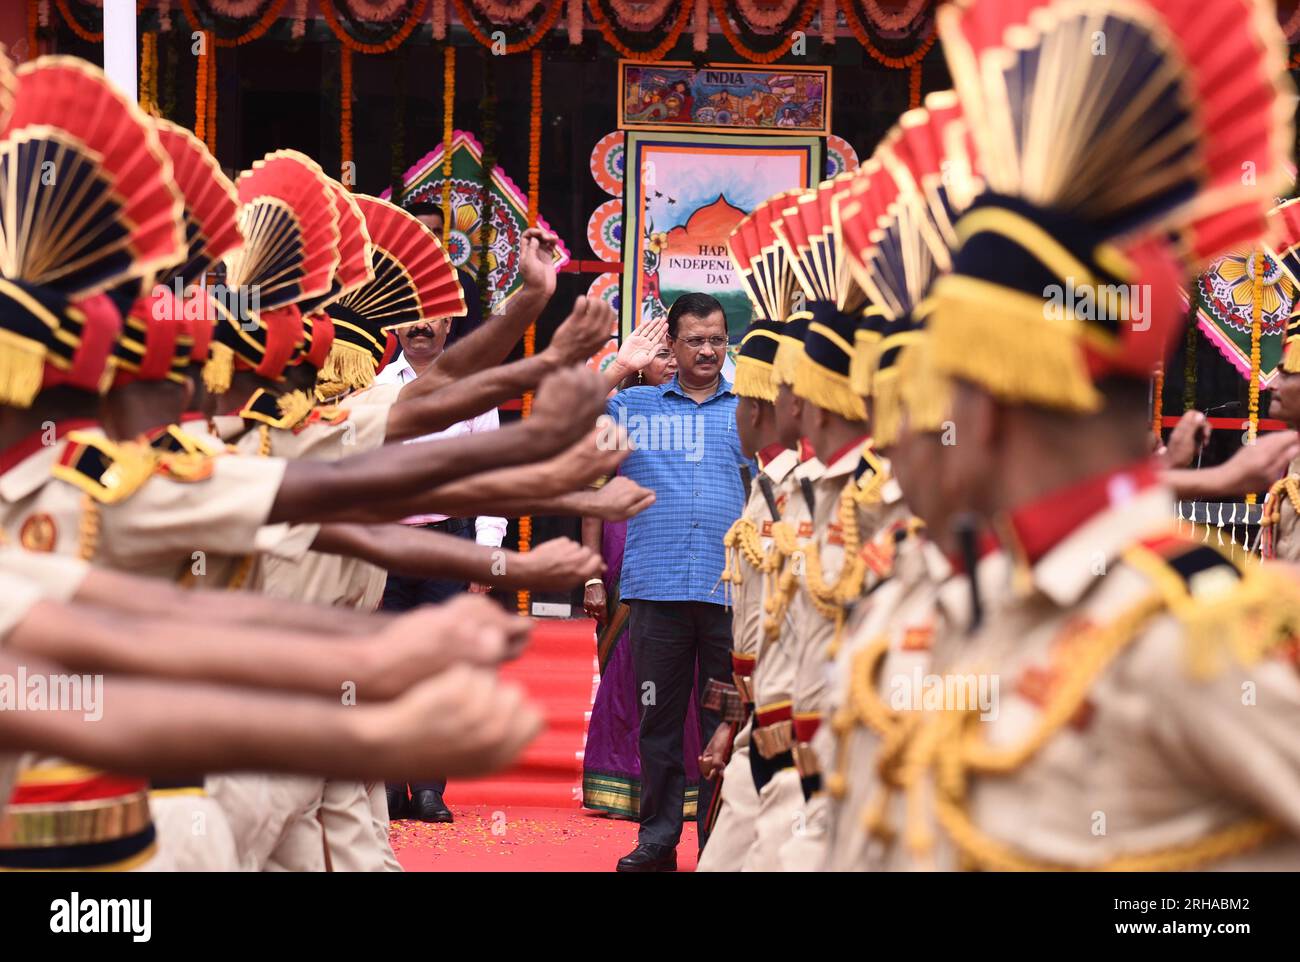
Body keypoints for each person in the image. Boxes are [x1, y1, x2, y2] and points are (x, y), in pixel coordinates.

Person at [607, 292, 747, 872]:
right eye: (696, 340)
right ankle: (658, 839)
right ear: (672, 345)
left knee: (726, 726)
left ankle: (721, 846)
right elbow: (557, 422)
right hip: (657, 592)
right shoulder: (633, 405)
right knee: (658, 722)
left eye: (717, 339)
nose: (709, 350)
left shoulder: (749, 410)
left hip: (731, 596)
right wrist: (618, 365)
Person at [375, 314, 508, 824]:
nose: (421, 326)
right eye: (409, 316)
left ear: (450, 322)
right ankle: (388, 786)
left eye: (432, 315)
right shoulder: (376, 387)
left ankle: (429, 788)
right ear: (395, 327)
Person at [581, 321, 706, 820]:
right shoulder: (621, 411)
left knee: (684, 675)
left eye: (672, 351)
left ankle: (684, 789)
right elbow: (589, 494)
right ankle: (621, 784)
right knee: (628, 671)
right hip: (624, 549)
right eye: (659, 355)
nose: (671, 362)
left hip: (687, 558)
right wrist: (591, 574)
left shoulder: (710, 408)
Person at [405, 200, 484, 346]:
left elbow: (471, 340)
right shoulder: (388, 279)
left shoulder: (462, 282)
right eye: (425, 230)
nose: (433, 237)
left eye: (438, 231)